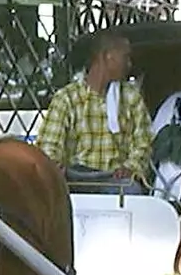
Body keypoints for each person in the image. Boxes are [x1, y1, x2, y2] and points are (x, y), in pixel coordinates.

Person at [36, 29, 151, 193]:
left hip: (114, 180)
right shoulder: (67, 98)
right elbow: (48, 146)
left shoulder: (131, 98)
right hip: (75, 180)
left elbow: (144, 143)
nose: (129, 64)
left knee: (131, 190)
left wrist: (130, 167)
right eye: (125, 57)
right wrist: (55, 166)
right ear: (107, 57)